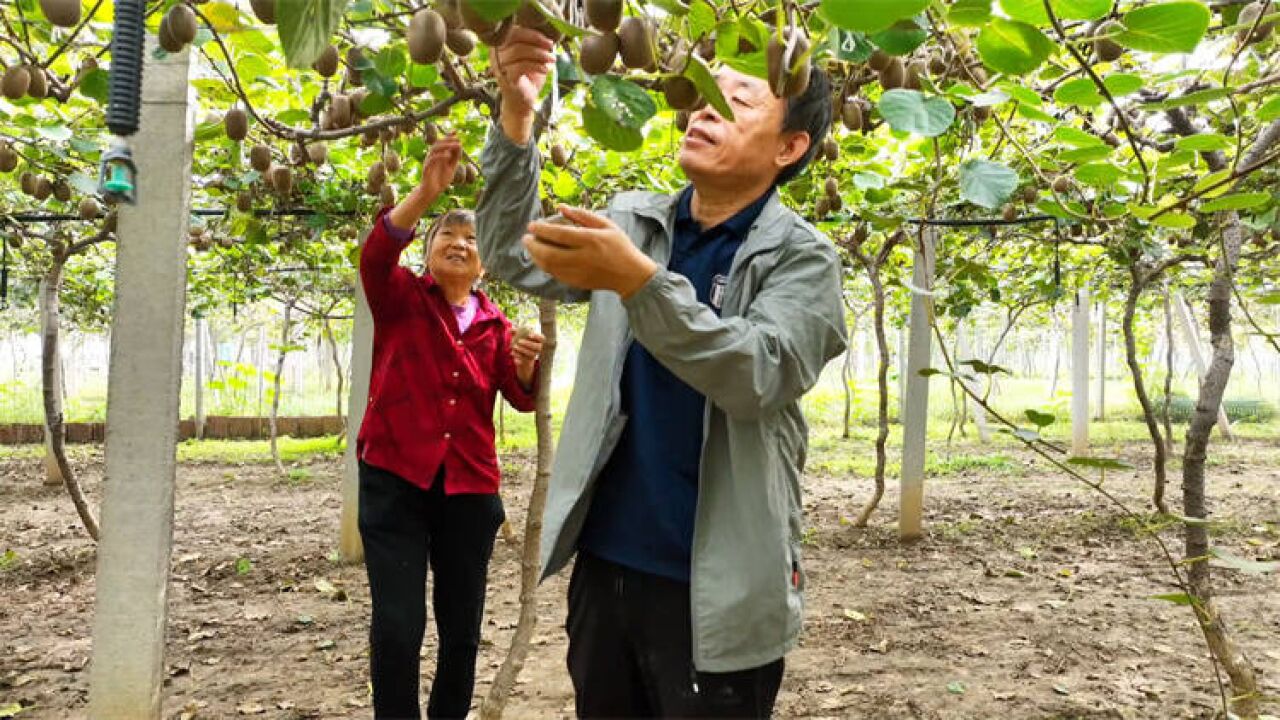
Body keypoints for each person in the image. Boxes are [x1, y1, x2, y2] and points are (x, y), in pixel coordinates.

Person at [476, 25, 846, 719]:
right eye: (704, 93)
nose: (706, 106)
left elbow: (757, 373)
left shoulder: (805, 261)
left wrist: (640, 284)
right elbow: (508, 253)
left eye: (738, 98)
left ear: (790, 146)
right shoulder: (634, 223)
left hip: (719, 591)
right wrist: (517, 121)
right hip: (605, 568)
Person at [356, 134, 545, 720]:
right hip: (395, 482)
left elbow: (517, 399)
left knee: (461, 629)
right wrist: (424, 193)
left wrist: (525, 366)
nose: (460, 244)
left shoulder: (497, 326)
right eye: (447, 236)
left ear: (486, 262)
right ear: (428, 251)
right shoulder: (401, 298)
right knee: (397, 625)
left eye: (472, 239)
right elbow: (375, 256)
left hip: (468, 490)